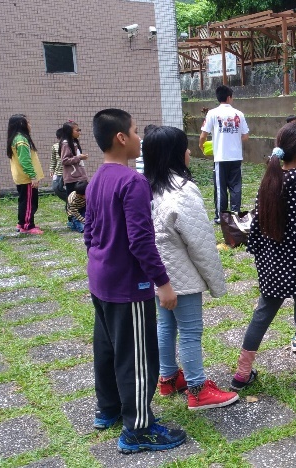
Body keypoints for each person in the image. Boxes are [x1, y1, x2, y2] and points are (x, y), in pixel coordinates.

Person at [85, 109, 186, 453]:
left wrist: (96, 257)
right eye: (135, 130)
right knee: (138, 357)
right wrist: (163, 283)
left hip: (100, 279)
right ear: (121, 138)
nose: (140, 137)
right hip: (129, 286)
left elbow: (90, 230)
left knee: (108, 349)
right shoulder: (133, 182)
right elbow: (141, 241)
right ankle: (138, 429)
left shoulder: (98, 177)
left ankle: (109, 410)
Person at [230, 123, 296, 399]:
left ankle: (242, 373)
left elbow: (255, 230)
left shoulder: (268, 182)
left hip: (272, 267)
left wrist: (265, 261)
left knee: (261, 315)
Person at [142, 126, 238, 411]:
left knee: (166, 326)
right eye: (185, 147)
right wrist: (216, 283)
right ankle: (197, 388)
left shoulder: (148, 186)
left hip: (159, 275)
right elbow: (200, 242)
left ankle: (168, 377)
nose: (189, 152)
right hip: (181, 275)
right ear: (174, 154)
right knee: (191, 330)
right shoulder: (182, 191)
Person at [199, 85, 249, 223]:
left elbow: (203, 135)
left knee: (220, 188)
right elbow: (245, 136)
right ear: (229, 97)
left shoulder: (212, 113)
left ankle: (221, 216)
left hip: (220, 157)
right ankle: (235, 214)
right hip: (236, 156)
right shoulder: (239, 114)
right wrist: (233, 137)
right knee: (236, 187)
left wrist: (201, 146)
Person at [7, 114, 44, 234]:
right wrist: (33, 176)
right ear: (22, 124)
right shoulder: (21, 140)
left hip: (21, 177)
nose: (30, 125)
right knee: (29, 202)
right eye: (28, 122)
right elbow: (25, 161)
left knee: (24, 201)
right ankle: (27, 226)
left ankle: (22, 222)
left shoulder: (16, 138)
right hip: (26, 178)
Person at [59, 121, 89, 227]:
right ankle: (73, 222)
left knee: (83, 200)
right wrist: (79, 157)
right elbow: (65, 160)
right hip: (72, 177)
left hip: (80, 175)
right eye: (77, 130)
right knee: (73, 201)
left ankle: (83, 219)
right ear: (69, 131)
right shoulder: (66, 144)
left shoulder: (74, 142)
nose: (79, 132)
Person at [50, 129, 67, 203]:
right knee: (56, 188)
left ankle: (72, 204)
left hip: (68, 172)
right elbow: (53, 159)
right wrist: (51, 169)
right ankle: (70, 201)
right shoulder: (55, 146)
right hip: (58, 172)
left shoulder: (69, 145)